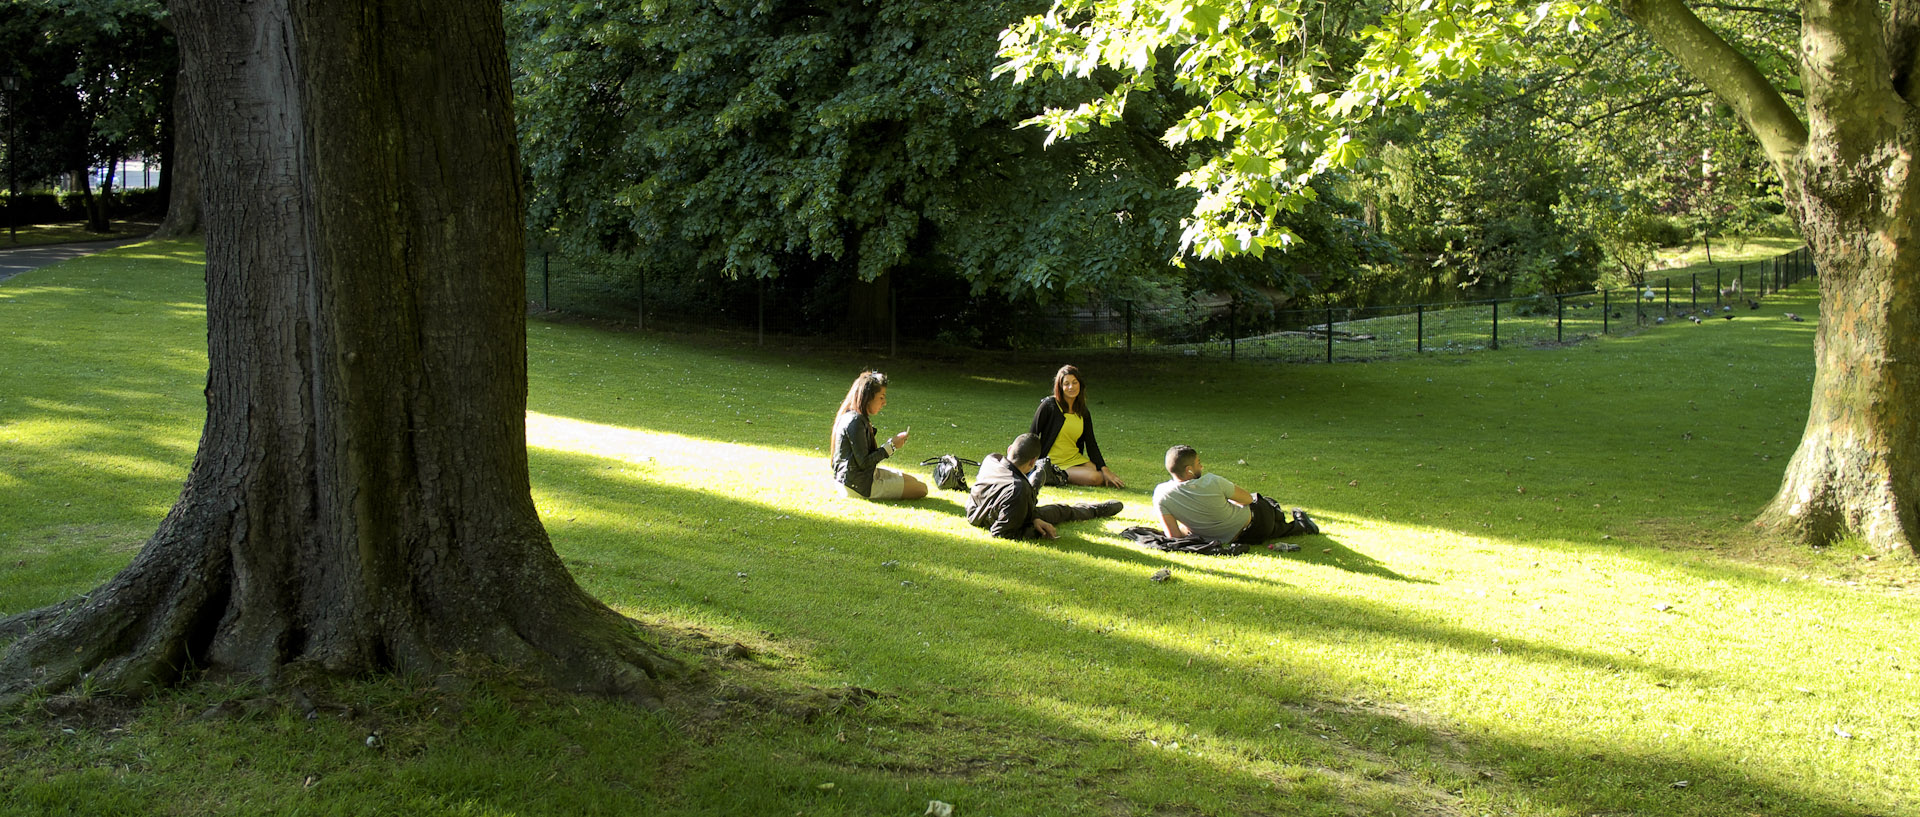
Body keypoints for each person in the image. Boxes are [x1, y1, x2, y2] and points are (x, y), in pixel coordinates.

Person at [1152, 445, 1318, 546]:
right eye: (1198, 463)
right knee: (1266, 503)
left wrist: (1189, 526)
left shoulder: (1160, 494)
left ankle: (1296, 525)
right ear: (1189, 469)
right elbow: (1247, 499)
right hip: (1253, 527)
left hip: (1224, 538)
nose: (1201, 467)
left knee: (1271, 521)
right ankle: (1298, 523)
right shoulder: (1212, 481)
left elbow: (1173, 536)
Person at [967, 434, 1122, 539]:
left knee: (1038, 491)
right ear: (1032, 461)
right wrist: (1035, 526)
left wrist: (1032, 517)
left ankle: (1041, 476)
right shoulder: (1018, 488)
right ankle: (1095, 510)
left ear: (1009, 449)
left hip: (980, 512)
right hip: (1004, 511)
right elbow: (1001, 532)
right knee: (1061, 511)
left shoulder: (992, 459)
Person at [830, 370, 927, 500]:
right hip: (857, 486)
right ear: (868, 397)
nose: (884, 402)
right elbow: (864, 462)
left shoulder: (855, 416)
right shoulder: (855, 421)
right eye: (881, 397)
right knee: (921, 489)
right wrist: (891, 446)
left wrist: (891, 445)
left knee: (914, 481)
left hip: (859, 477)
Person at [1028, 365, 1125, 488]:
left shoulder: (1083, 412)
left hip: (1073, 458)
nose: (1071, 387)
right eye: (1066, 383)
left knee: (1099, 470)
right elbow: (1032, 435)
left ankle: (1059, 475)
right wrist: (1027, 464)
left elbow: (1091, 444)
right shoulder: (1049, 406)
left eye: (1074, 382)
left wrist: (1105, 469)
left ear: (1080, 384)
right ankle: (1051, 474)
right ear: (1060, 387)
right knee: (1097, 477)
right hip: (1053, 461)